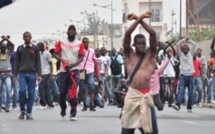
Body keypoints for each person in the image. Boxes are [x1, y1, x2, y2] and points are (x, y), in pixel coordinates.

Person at [121, 12, 158, 134]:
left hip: (146, 97)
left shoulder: (150, 54)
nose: (142, 46)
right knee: (127, 131)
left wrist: (139, 18)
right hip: (132, 96)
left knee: (151, 132)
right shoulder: (129, 54)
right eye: (139, 43)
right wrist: (139, 18)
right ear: (134, 45)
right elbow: (127, 34)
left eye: (143, 43)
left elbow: (153, 34)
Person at [54, 24, 85, 121]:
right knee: (62, 93)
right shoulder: (61, 42)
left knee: (72, 93)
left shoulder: (80, 43)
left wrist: (74, 64)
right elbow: (55, 53)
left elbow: (81, 57)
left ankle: (73, 113)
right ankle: (63, 108)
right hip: (63, 71)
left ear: (76, 32)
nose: (71, 31)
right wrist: (63, 61)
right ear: (67, 32)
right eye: (69, 30)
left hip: (74, 70)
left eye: (73, 30)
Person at [14, 32, 42, 120]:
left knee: (31, 93)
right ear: (23, 38)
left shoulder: (35, 48)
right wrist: (15, 75)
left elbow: (38, 62)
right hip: (22, 74)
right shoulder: (19, 48)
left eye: (28, 37)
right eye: (25, 37)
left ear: (31, 38)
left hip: (32, 74)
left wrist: (39, 75)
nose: (27, 38)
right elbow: (17, 63)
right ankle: (22, 111)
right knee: (21, 91)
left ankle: (29, 113)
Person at [171, 37, 196, 113]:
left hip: (190, 75)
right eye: (184, 49)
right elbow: (178, 44)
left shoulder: (191, 54)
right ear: (182, 50)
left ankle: (189, 106)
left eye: (186, 49)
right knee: (181, 90)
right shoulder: (181, 55)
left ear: (188, 50)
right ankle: (178, 105)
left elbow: (194, 44)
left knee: (190, 92)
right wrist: (184, 40)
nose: (185, 50)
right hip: (183, 76)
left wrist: (189, 40)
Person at [79, 37, 96, 111]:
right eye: (84, 42)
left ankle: (91, 104)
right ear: (82, 43)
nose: (86, 43)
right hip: (81, 71)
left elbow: (94, 60)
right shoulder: (79, 51)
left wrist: (96, 72)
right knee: (82, 88)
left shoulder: (92, 51)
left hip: (90, 71)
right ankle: (85, 105)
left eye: (87, 42)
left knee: (91, 85)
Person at [37, 42, 53, 109]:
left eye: (40, 47)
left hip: (46, 73)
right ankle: (49, 103)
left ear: (43, 47)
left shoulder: (48, 54)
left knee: (40, 87)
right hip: (41, 74)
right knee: (47, 89)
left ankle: (43, 104)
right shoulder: (39, 54)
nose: (38, 49)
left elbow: (51, 64)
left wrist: (51, 74)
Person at [0, 35, 14, 112]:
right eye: (1, 47)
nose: (2, 49)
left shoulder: (8, 53)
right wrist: (2, 40)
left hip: (8, 74)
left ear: (6, 48)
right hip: (0, 74)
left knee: (8, 91)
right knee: (0, 92)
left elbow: (12, 45)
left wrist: (7, 39)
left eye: (4, 47)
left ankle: (7, 106)